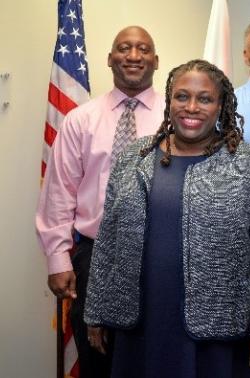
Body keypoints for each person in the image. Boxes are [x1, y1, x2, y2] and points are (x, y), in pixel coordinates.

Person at [83, 59, 250, 378]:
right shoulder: (133, 158)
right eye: (182, 96)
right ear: (169, 101)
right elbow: (107, 240)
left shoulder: (248, 164)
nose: (191, 107)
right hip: (140, 321)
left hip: (218, 329)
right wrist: (96, 310)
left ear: (221, 106)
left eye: (205, 99)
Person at [35, 25, 163, 377]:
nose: (133, 55)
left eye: (142, 48)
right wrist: (58, 259)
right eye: (124, 48)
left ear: (156, 60)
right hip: (95, 256)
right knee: (99, 359)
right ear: (110, 59)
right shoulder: (81, 120)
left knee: (154, 356)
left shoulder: (176, 119)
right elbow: (59, 192)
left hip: (160, 254)